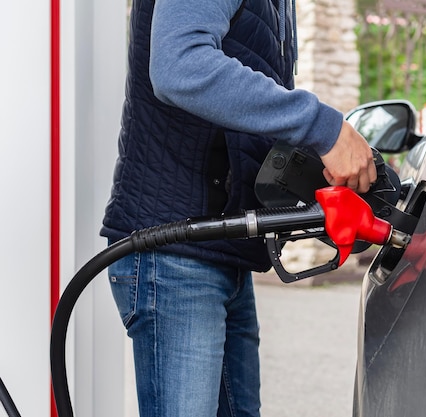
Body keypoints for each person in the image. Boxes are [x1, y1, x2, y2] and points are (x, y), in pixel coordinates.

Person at [100, 0, 377, 416]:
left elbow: (242, 96)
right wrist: (324, 128)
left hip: (219, 247)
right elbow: (180, 65)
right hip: (177, 254)